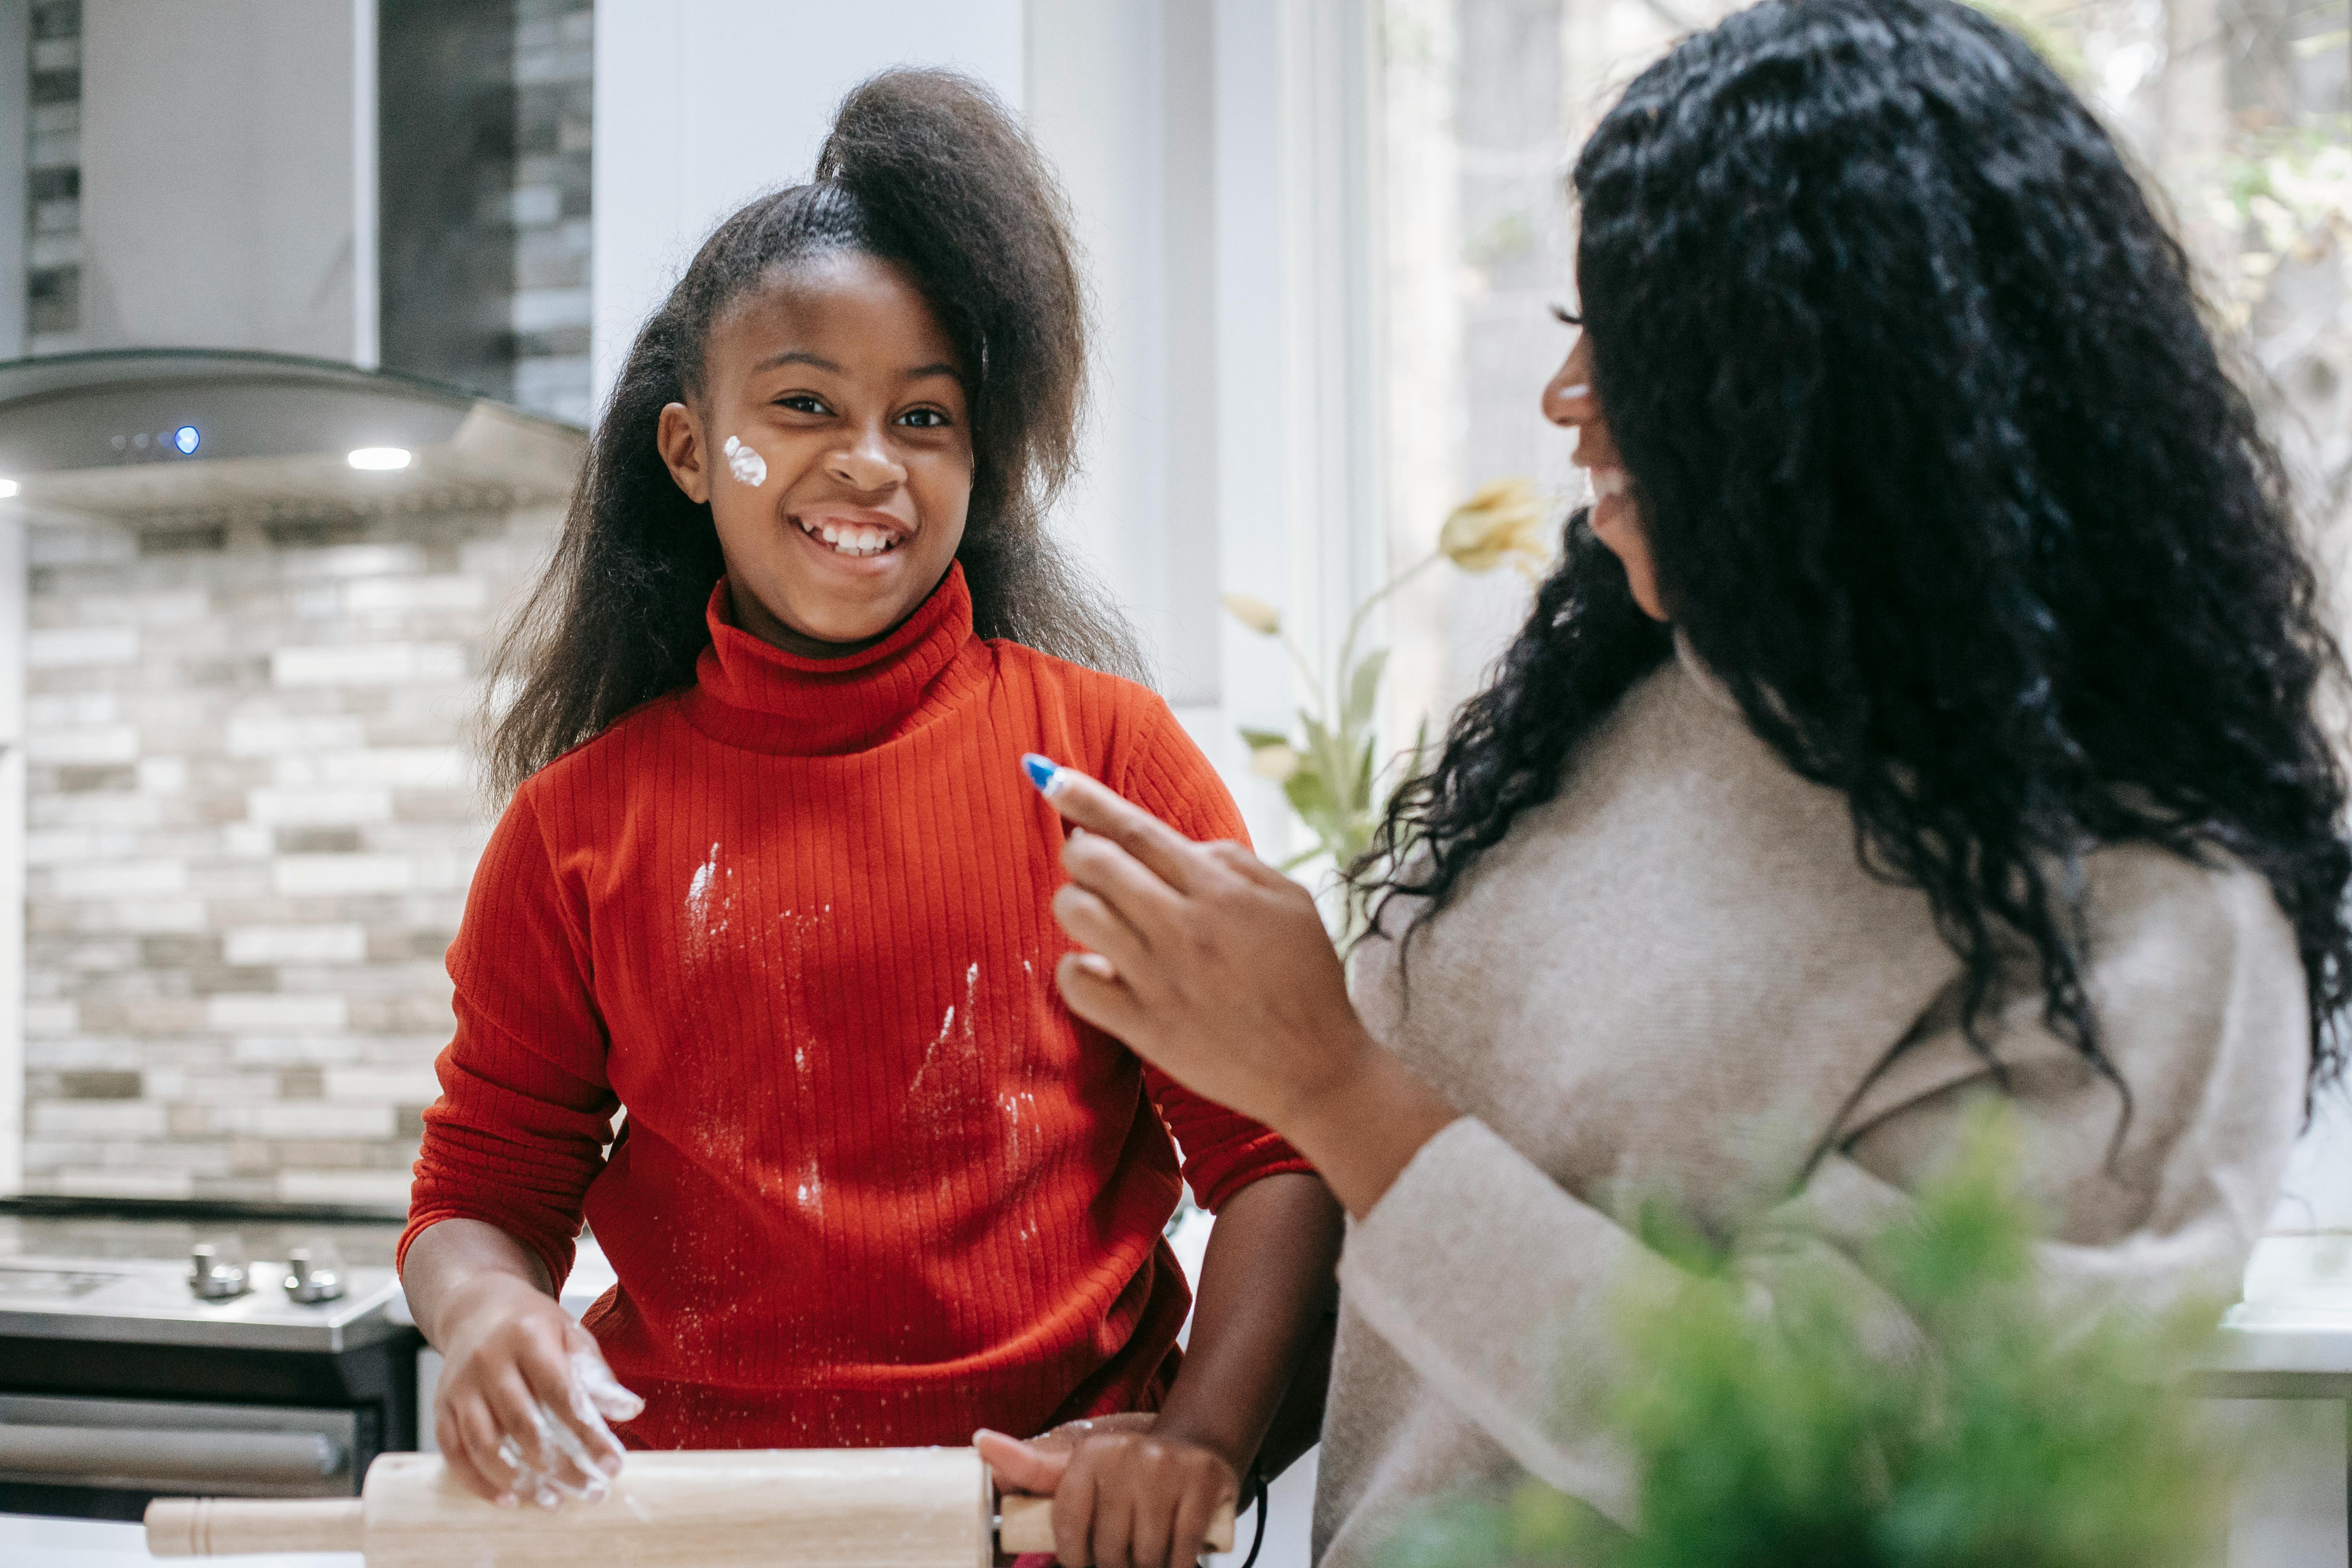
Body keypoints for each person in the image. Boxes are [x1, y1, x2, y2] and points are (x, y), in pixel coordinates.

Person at [987, 3, 2352, 1563]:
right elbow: (1440, 1278)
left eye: (1644, 345)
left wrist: (1328, 1084)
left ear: (1849, 391)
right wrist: (1202, 1433)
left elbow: (1818, 1463)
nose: (1568, 396)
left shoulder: (2157, 925)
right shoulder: (1639, 692)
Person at [397, 68, 1343, 1568]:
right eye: (803, 406)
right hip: (693, 1537)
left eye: (926, 416)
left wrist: (1201, 1441)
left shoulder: (1102, 762)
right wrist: (488, 1307)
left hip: (1045, 1537)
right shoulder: (576, 832)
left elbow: (1280, 1155)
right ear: (692, 451)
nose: (870, 461)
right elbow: (476, 1199)